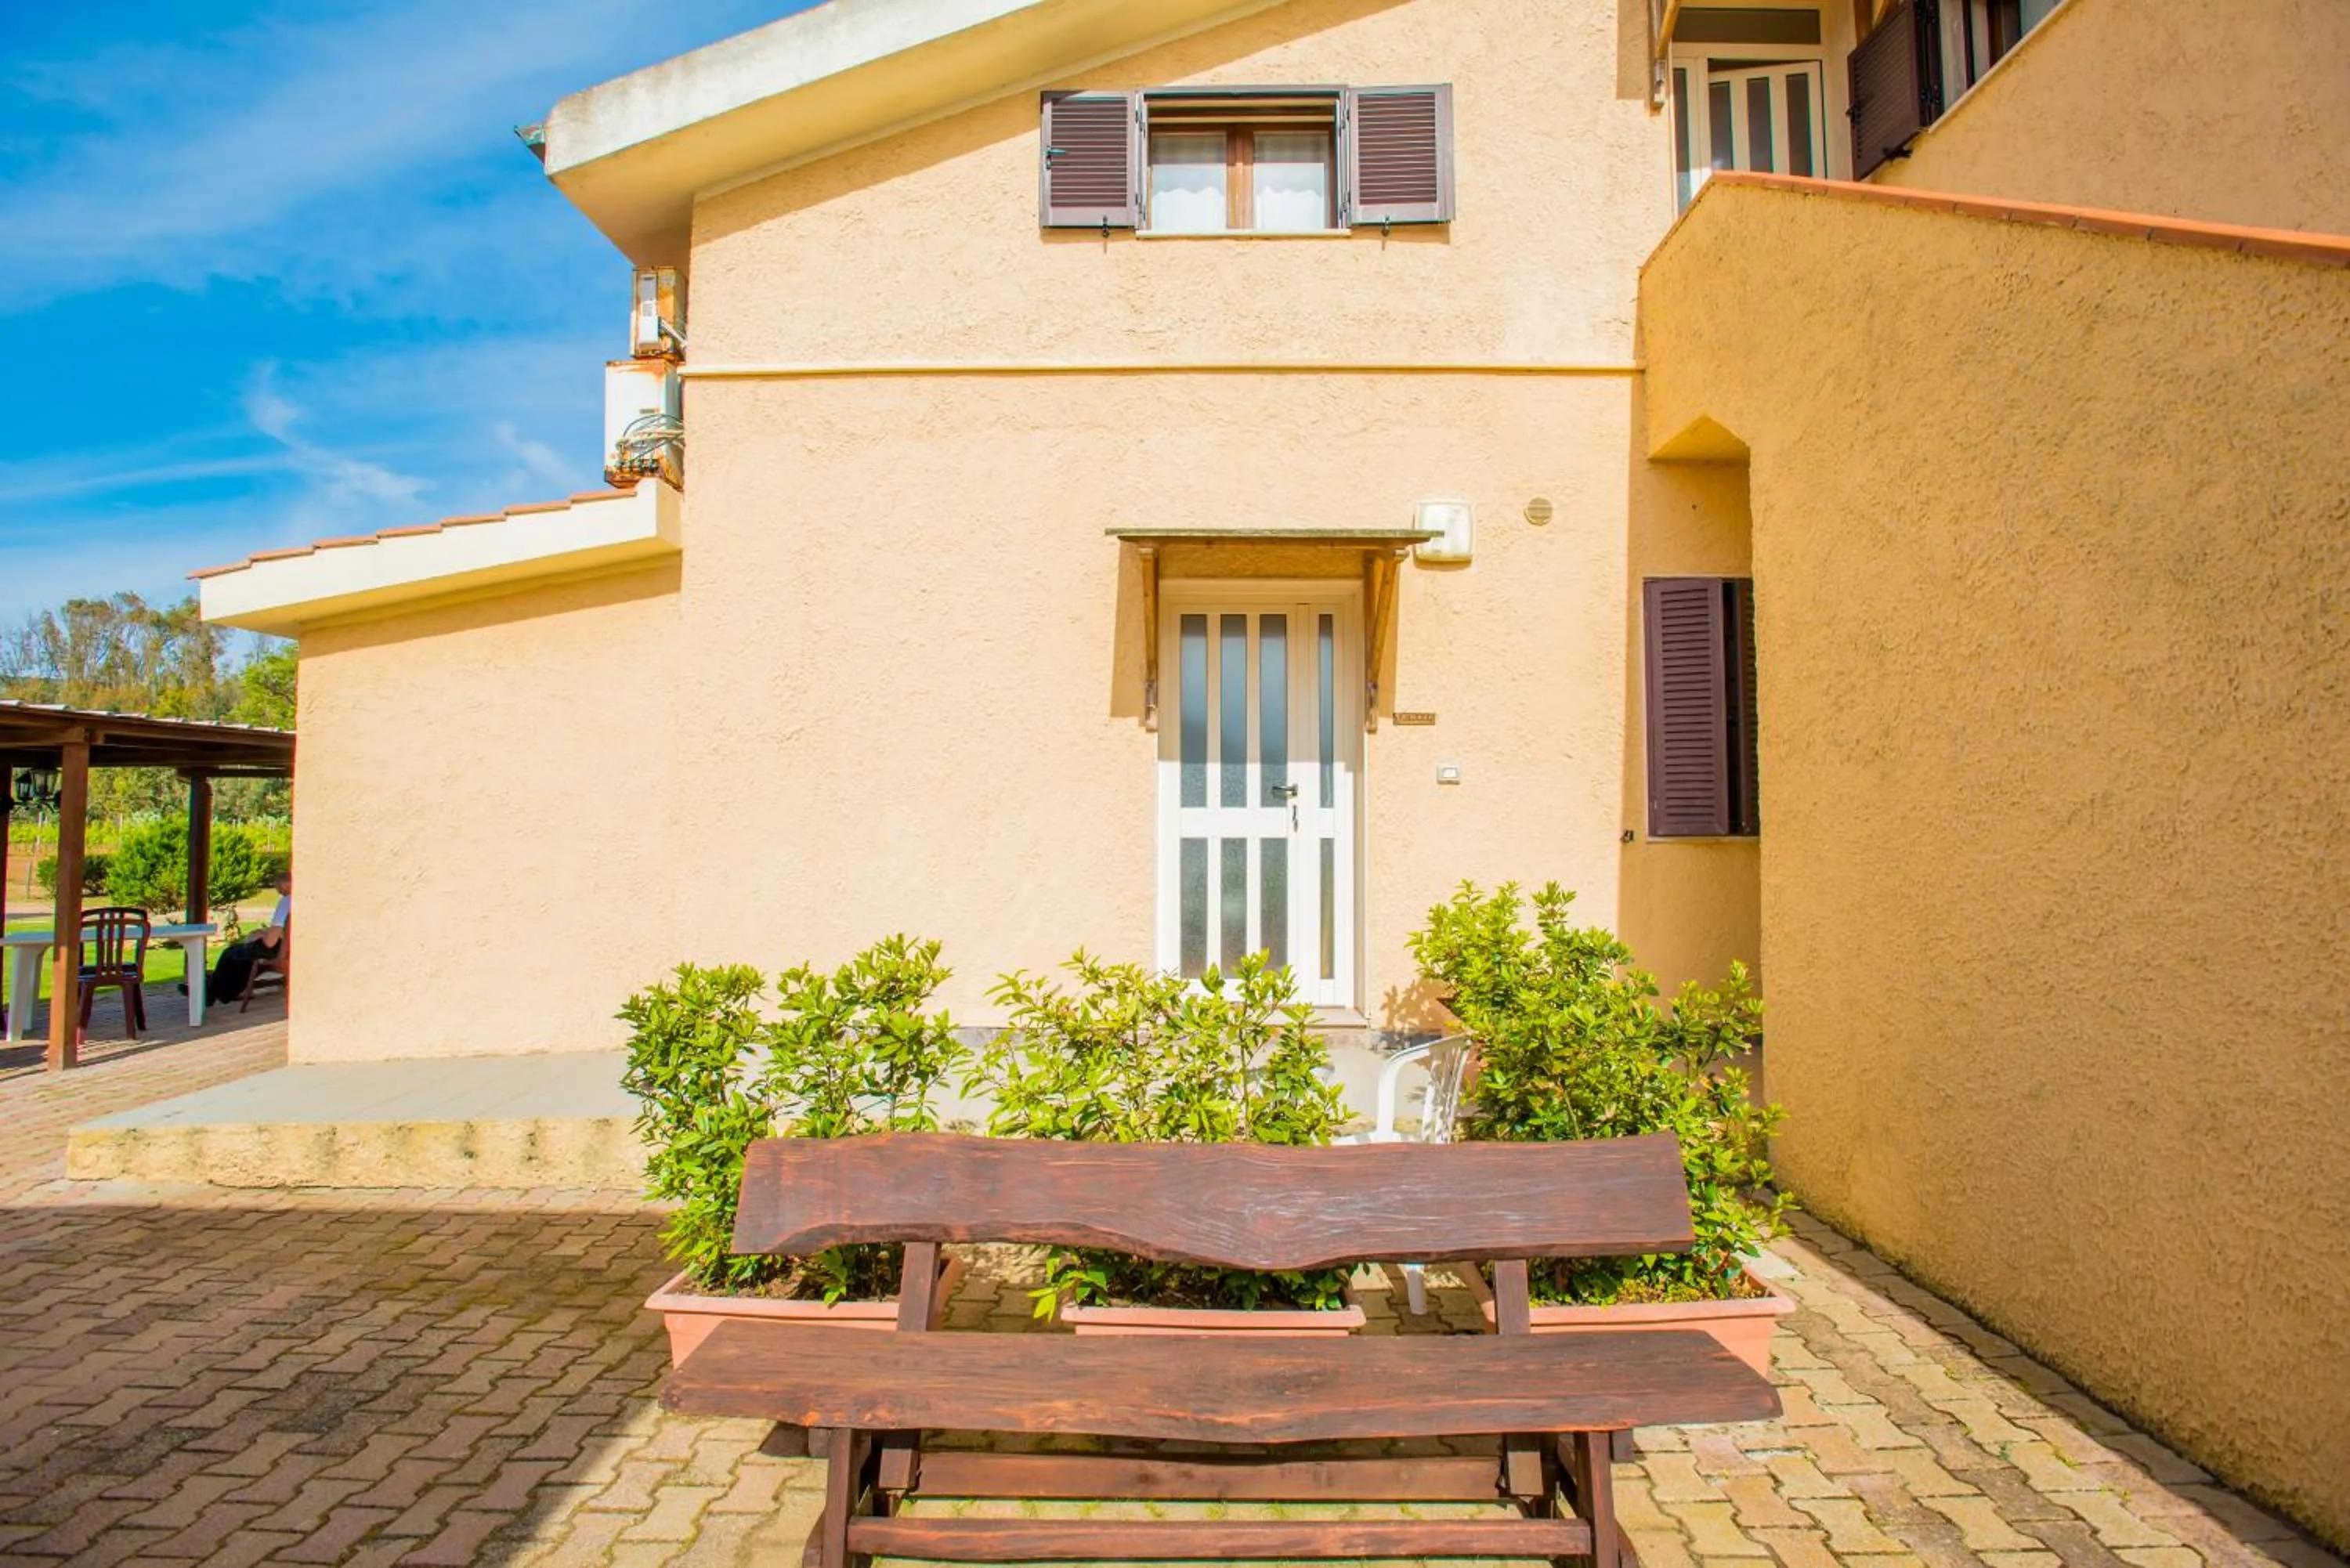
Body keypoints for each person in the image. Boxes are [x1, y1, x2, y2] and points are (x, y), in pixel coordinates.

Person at [190, 869, 291, 1004]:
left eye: (278, 887)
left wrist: (261, 941)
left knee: (230, 953)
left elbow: (272, 939)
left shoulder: (286, 902)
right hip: (291, 949)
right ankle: (222, 993)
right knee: (243, 960)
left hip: (278, 950)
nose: (278, 891)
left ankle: (211, 993)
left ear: (286, 884)